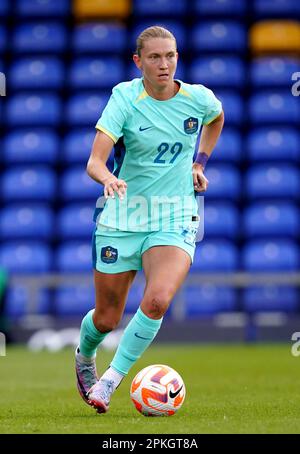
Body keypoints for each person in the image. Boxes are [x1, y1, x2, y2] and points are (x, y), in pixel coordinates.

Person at [75, 26, 224, 414]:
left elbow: (216, 117)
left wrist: (199, 162)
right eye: (155, 57)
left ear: (178, 57)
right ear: (138, 61)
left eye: (170, 55)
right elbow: (95, 161)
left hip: (174, 214)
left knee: (157, 300)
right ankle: (85, 355)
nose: (164, 64)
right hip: (123, 215)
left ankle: (109, 381)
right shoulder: (125, 98)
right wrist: (108, 177)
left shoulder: (198, 98)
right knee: (107, 319)